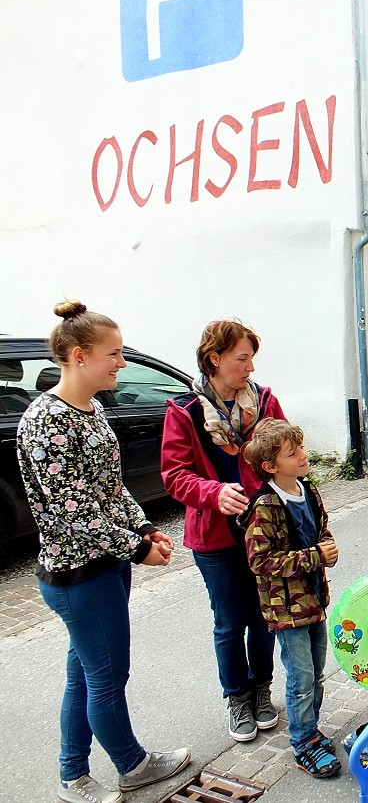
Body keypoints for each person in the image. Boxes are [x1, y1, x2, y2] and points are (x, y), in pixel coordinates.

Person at [18, 301, 190, 803]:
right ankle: (132, 765)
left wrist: (143, 532)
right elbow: (76, 512)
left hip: (105, 566)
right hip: (80, 575)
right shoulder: (47, 421)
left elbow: (110, 490)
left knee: (88, 673)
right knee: (107, 676)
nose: (122, 363)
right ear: (78, 355)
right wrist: (136, 550)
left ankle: (72, 774)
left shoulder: (90, 410)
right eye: (114, 354)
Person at [161, 320, 285, 743]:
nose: (250, 367)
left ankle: (262, 689)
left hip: (264, 532)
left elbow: (287, 453)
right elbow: (174, 475)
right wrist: (213, 493)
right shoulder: (185, 411)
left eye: (252, 358)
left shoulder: (264, 403)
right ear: (215, 359)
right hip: (214, 537)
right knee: (229, 622)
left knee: (263, 616)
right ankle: (237, 696)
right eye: (242, 358)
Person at [242, 419, 341, 778]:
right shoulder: (265, 506)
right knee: (300, 678)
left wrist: (326, 544)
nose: (302, 455)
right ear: (270, 466)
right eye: (292, 452)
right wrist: (317, 555)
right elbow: (260, 561)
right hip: (287, 611)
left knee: (315, 673)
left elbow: (321, 526)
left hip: (314, 599)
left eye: (300, 448)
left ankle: (310, 731)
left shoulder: (308, 488)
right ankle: (302, 743)